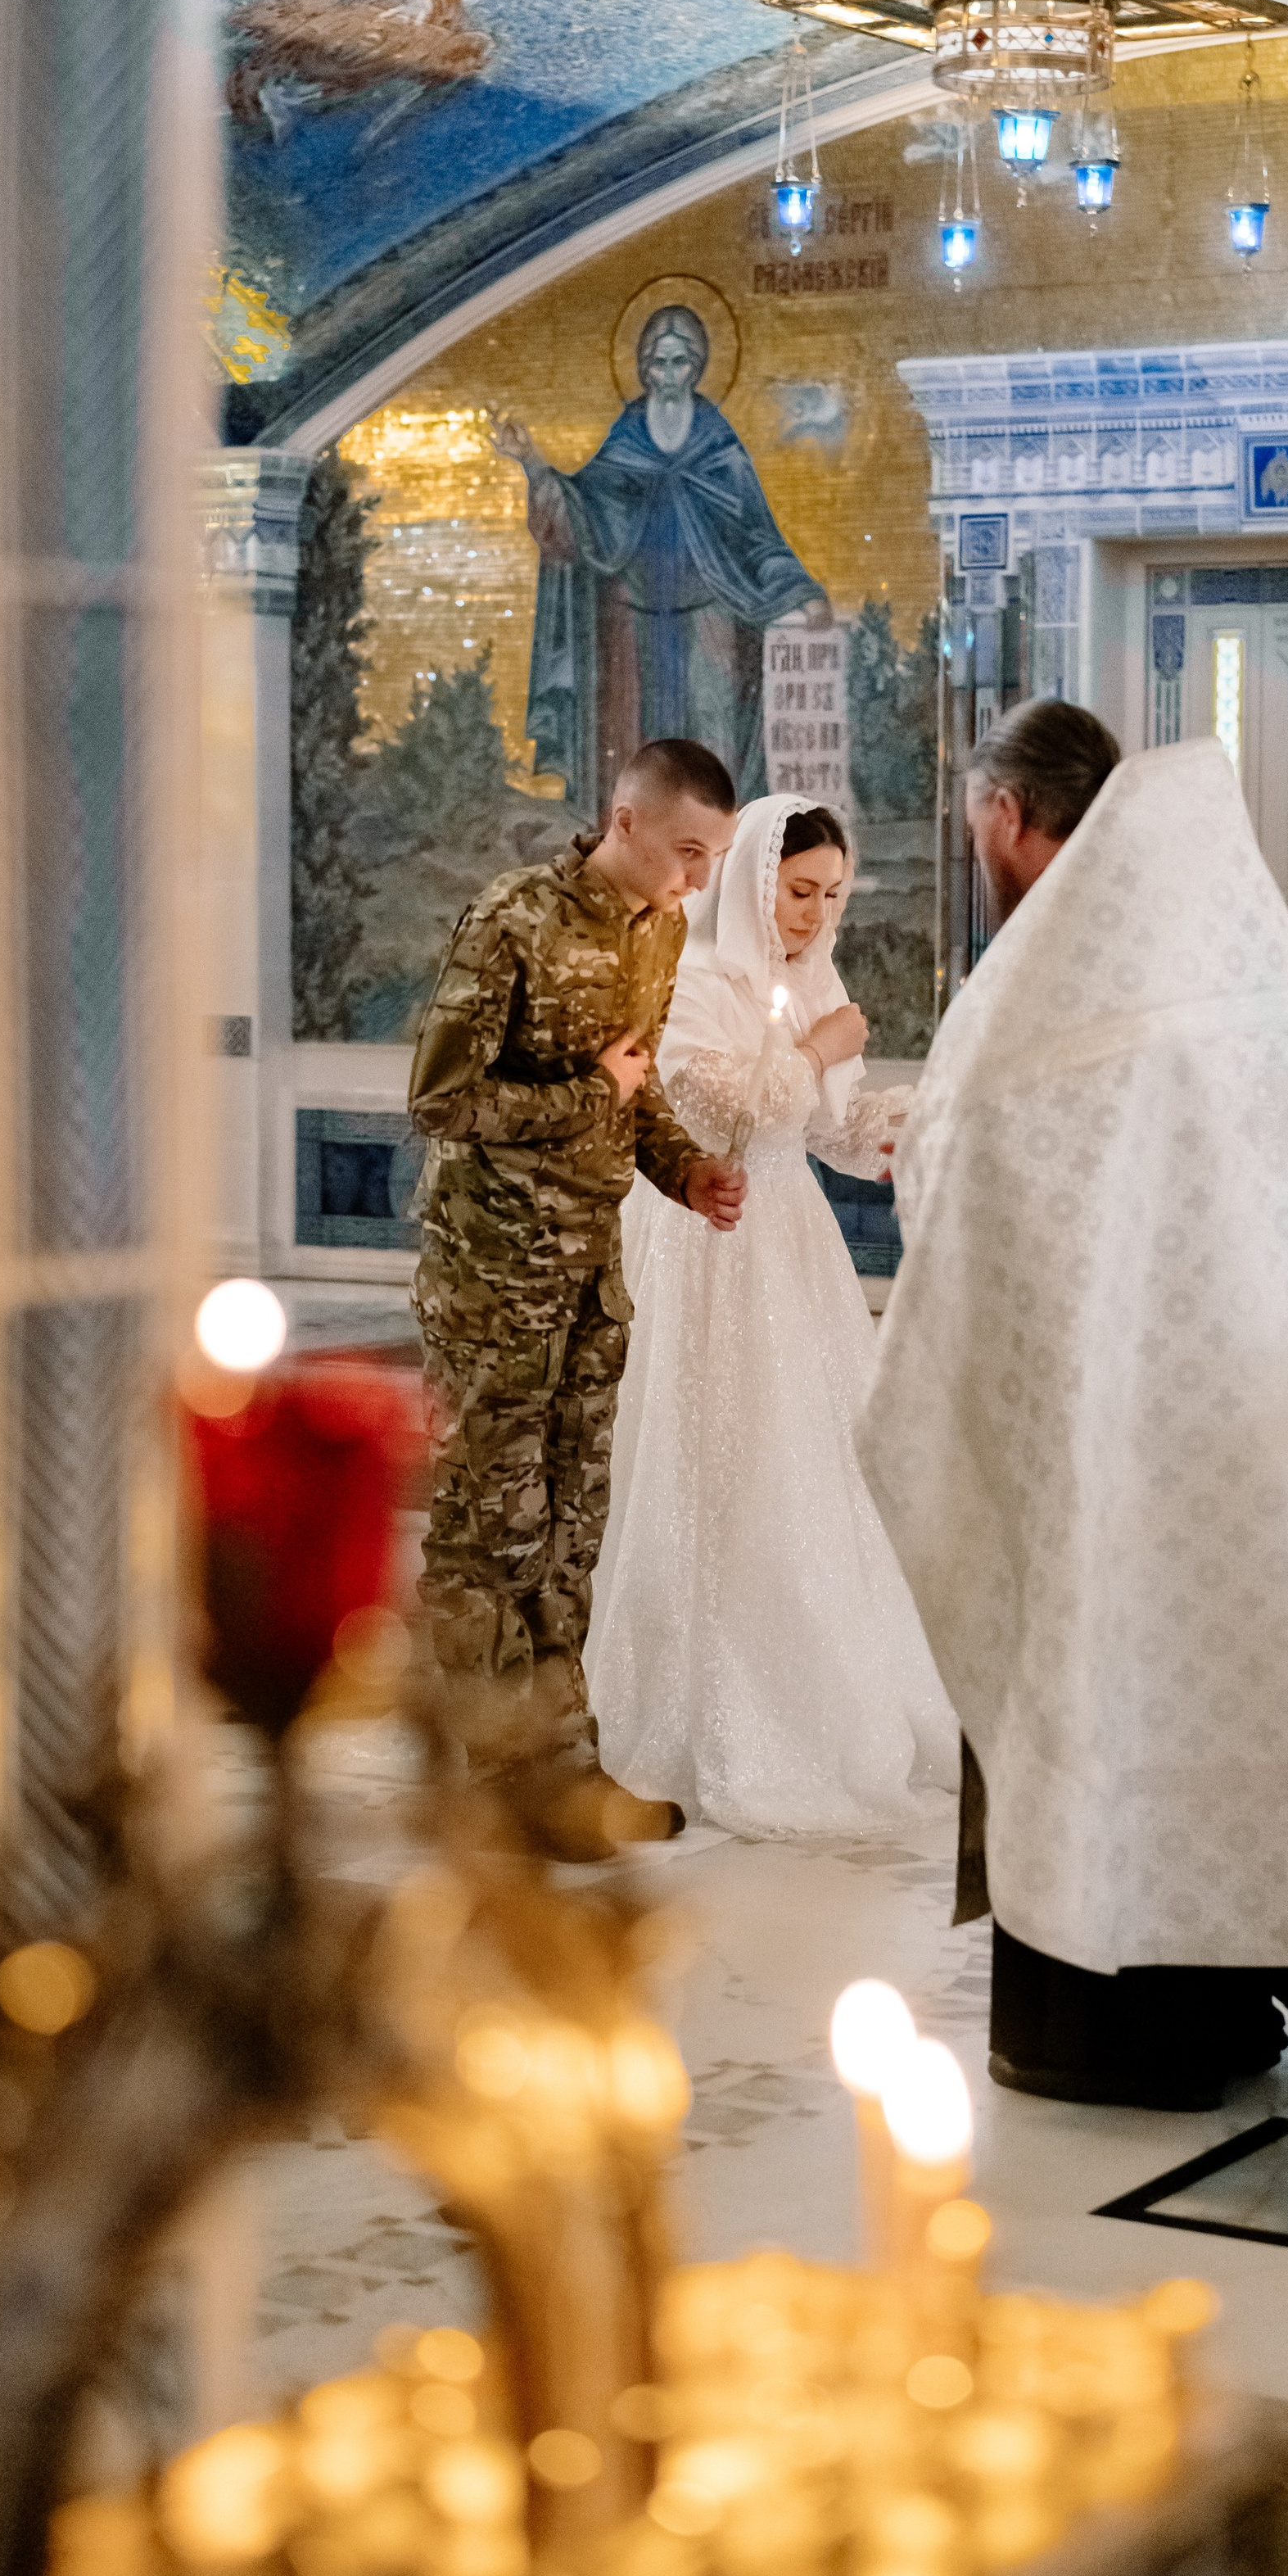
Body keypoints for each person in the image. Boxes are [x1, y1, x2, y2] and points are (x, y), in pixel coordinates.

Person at [857, 699, 1288, 2108]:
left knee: (1111, 1681)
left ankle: (1119, 2026)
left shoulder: (1043, 987)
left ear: (1002, 817)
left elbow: (965, 1184)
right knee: (1249, 1675)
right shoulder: (1236, 957)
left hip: (1112, 1442)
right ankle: (1244, 1995)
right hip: (1267, 1436)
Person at [587, 795, 959, 1835]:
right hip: (707, 1237)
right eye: (799, 893)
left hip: (789, 1239)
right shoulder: (696, 976)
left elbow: (824, 1131)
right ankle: (692, 1704)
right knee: (707, 1458)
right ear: (757, 879)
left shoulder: (815, 982)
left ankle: (822, 1696)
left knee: (804, 1461)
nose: (814, 915)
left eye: (833, 895)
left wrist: (911, 1122)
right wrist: (819, 1045)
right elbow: (715, 1110)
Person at [407, 737, 749, 1860]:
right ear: (628, 820)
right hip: (492, 1277)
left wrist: (686, 1165)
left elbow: (633, 1085)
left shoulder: (663, 925)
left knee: (566, 1530)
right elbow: (441, 1096)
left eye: (714, 859)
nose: (698, 878)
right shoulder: (512, 916)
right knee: (484, 1529)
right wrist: (585, 1095)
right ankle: (476, 1784)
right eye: (689, 851)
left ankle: (563, 1770)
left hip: (589, 1275)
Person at [492, 305, 829, 813]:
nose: (668, 376)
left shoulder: (720, 448)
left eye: (679, 363)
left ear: (697, 368)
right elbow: (582, 516)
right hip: (629, 626)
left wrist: (799, 591)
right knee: (631, 751)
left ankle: (714, 862)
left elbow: (756, 536)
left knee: (711, 746)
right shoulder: (625, 442)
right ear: (644, 369)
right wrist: (533, 464)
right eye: (659, 363)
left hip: (711, 620)